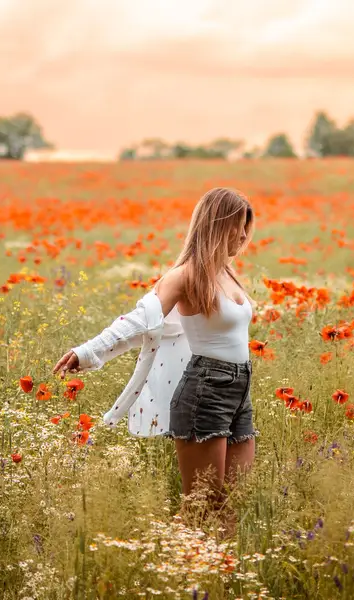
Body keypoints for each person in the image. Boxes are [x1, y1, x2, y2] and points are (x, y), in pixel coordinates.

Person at [52, 187, 256, 535]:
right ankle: (172, 568)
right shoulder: (186, 275)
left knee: (235, 501)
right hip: (205, 392)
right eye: (236, 225)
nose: (242, 234)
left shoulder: (227, 273)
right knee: (202, 507)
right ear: (215, 224)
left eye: (246, 227)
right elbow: (139, 320)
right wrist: (87, 351)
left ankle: (219, 580)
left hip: (239, 391)